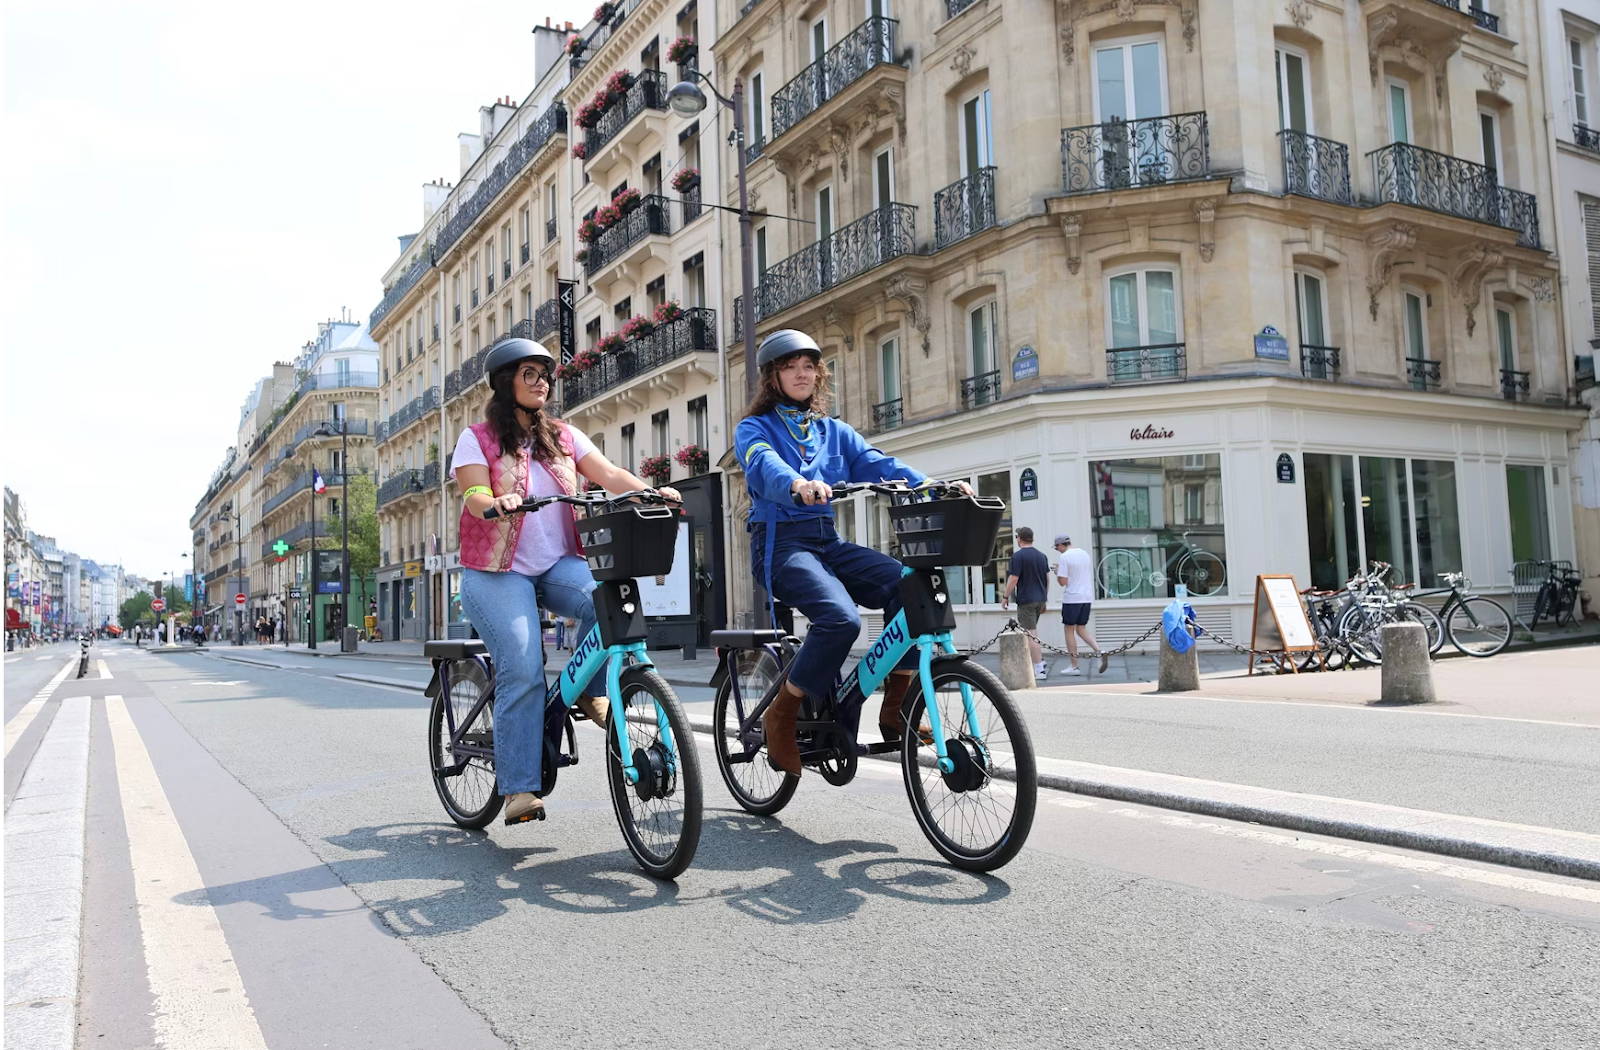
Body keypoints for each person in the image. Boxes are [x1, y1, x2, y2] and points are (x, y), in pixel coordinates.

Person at [453, 337, 680, 826]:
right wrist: (493, 501)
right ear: (505, 382)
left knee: (613, 598)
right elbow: (472, 488)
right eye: (530, 374)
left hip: (557, 563)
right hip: (496, 571)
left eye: (545, 375)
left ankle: (588, 686)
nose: (541, 383)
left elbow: (610, 473)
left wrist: (649, 490)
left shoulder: (563, 436)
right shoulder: (478, 437)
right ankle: (517, 788)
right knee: (522, 666)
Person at [735, 329, 968, 777]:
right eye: (790, 367)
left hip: (828, 541)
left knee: (911, 586)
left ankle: (895, 707)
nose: (802, 374)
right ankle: (782, 713)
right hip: (781, 544)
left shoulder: (834, 432)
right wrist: (798, 485)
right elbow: (763, 462)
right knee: (841, 619)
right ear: (772, 377)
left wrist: (933, 484)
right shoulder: (754, 428)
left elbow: (881, 464)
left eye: (809, 366)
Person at [1001, 526, 1052, 681]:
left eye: (1016, 536)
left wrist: (1005, 596)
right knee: (1031, 632)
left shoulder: (1018, 557)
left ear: (1019, 538)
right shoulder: (1042, 556)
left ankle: (1039, 668)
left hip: (1026, 600)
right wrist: (1044, 598)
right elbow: (1047, 578)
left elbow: (1014, 578)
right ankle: (1039, 661)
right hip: (1040, 599)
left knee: (1030, 634)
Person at [1053, 534, 1108, 675]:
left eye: (1057, 547)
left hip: (1072, 598)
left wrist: (1057, 572)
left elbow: (1063, 582)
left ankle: (1074, 666)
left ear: (1061, 545)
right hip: (1086, 597)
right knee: (1081, 628)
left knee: (1069, 630)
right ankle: (1099, 651)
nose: (1057, 550)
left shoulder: (1064, 557)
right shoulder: (1084, 554)